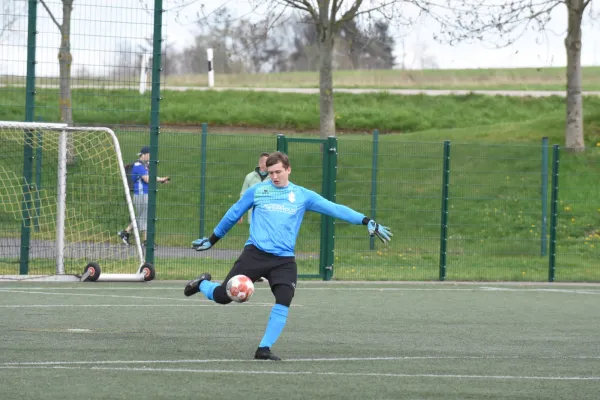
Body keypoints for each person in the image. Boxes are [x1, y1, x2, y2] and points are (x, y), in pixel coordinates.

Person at [184, 151, 392, 361]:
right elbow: (233, 213)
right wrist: (212, 240)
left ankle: (263, 349)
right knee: (222, 297)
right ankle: (202, 284)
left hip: (283, 260)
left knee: (285, 297)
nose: (274, 176)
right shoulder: (258, 191)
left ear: (288, 170)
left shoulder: (302, 195)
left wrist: (365, 220)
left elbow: (334, 208)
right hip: (255, 254)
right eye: (270, 172)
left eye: (278, 172)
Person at [118, 146, 170, 246]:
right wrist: (159, 180)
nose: (150, 157)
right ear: (144, 154)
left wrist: (162, 179)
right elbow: (147, 179)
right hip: (141, 195)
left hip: (145, 194)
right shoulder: (138, 165)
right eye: (149, 155)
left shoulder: (144, 165)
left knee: (142, 216)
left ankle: (125, 233)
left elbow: (151, 176)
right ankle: (146, 241)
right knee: (144, 217)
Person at [238, 152, 270, 225]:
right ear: (260, 163)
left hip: (269, 218)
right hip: (253, 218)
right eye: (267, 162)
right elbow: (243, 195)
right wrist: (240, 213)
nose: (269, 164)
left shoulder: (273, 178)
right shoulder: (250, 177)